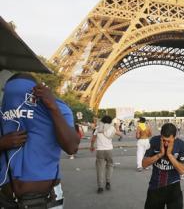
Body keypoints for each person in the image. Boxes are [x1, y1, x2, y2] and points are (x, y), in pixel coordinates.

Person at [0, 73, 80, 208]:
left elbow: (71, 147)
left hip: (46, 200)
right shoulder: (2, 113)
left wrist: (52, 107)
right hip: (5, 200)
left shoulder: (58, 108)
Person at [142, 123, 184, 209]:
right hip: (155, 186)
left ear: (175, 137)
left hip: (173, 187)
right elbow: (144, 164)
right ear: (160, 136)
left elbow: (182, 171)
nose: (166, 144)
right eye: (163, 140)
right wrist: (160, 154)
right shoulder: (154, 141)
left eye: (169, 141)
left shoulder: (181, 145)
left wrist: (169, 155)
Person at [90, 115, 121, 194]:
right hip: (109, 150)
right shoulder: (112, 128)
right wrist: (117, 127)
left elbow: (93, 139)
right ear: (110, 121)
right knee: (110, 166)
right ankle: (108, 182)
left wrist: (92, 146)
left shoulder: (98, 128)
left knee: (100, 169)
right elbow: (120, 134)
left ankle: (100, 187)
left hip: (100, 150)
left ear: (102, 121)